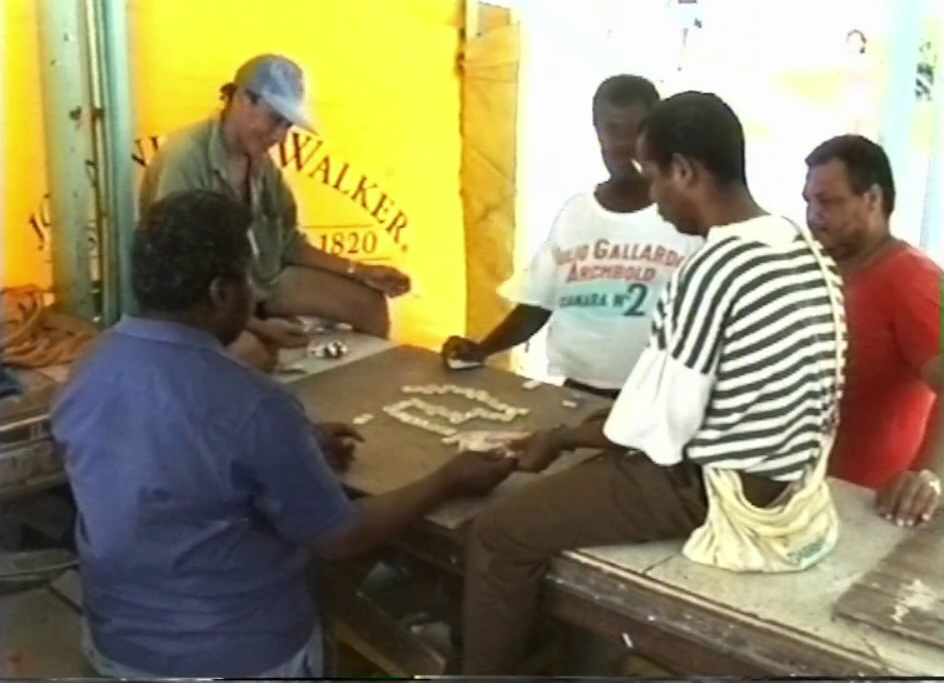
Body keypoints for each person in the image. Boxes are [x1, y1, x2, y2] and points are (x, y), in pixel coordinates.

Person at [50, 190, 515, 679]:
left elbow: (154, 461)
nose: (256, 294)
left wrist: (288, 449)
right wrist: (448, 479)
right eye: (249, 279)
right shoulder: (253, 403)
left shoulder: (89, 365)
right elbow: (340, 538)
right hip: (237, 660)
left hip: (116, 647)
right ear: (221, 292)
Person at [461, 92, 847, 675]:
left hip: (717, 490)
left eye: (653, 174)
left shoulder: (714, 267)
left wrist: (558, 439)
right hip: (791, 478)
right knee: (579, 469)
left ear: (684, 171)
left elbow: (653, 434)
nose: (653, 195)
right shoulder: (801, 248)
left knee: (497, 532)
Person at [140, 54, 411, 371]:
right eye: (275, 120)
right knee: (254, 354)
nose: (280, 136)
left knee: (369, 305)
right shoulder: (185, 158)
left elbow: (289, 244)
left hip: (256, 286)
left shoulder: (262, 165)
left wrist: (360, 270)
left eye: (287, 125)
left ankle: (363, 395)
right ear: (242, 100)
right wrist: (257, 326)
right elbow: (183, 277)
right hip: (199, 304)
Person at [441, 75, 703, 399]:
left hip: (656, 397)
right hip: (578, 392)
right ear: (597, 131)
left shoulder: (685, 216)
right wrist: (483, 349)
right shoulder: (577, 213)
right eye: (612, 129)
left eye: (637, 131)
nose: (624, 145)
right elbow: (539, 303)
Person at [803, 135, 942, 527]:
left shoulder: (915, 280)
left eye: (828, 201)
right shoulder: (820, 269)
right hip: (808, 498)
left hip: (871, 513)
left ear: (872, 199)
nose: (813, 215)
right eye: (809, 201)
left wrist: (928, 476)